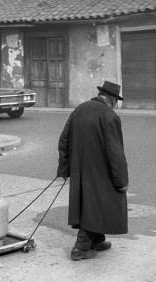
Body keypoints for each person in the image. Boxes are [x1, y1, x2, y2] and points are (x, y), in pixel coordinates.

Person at [57, 80, 129, 261]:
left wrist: (64, 169)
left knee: (91, 204)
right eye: (116, 102)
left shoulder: (79, 109)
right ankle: (80, 248)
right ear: (111, 99)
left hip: (80, 170)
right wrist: (122, 180)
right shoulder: (109, 116)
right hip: (100, 172)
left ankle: (96, 240)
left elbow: (64, 140)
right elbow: (116, 152)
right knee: (96, 204)